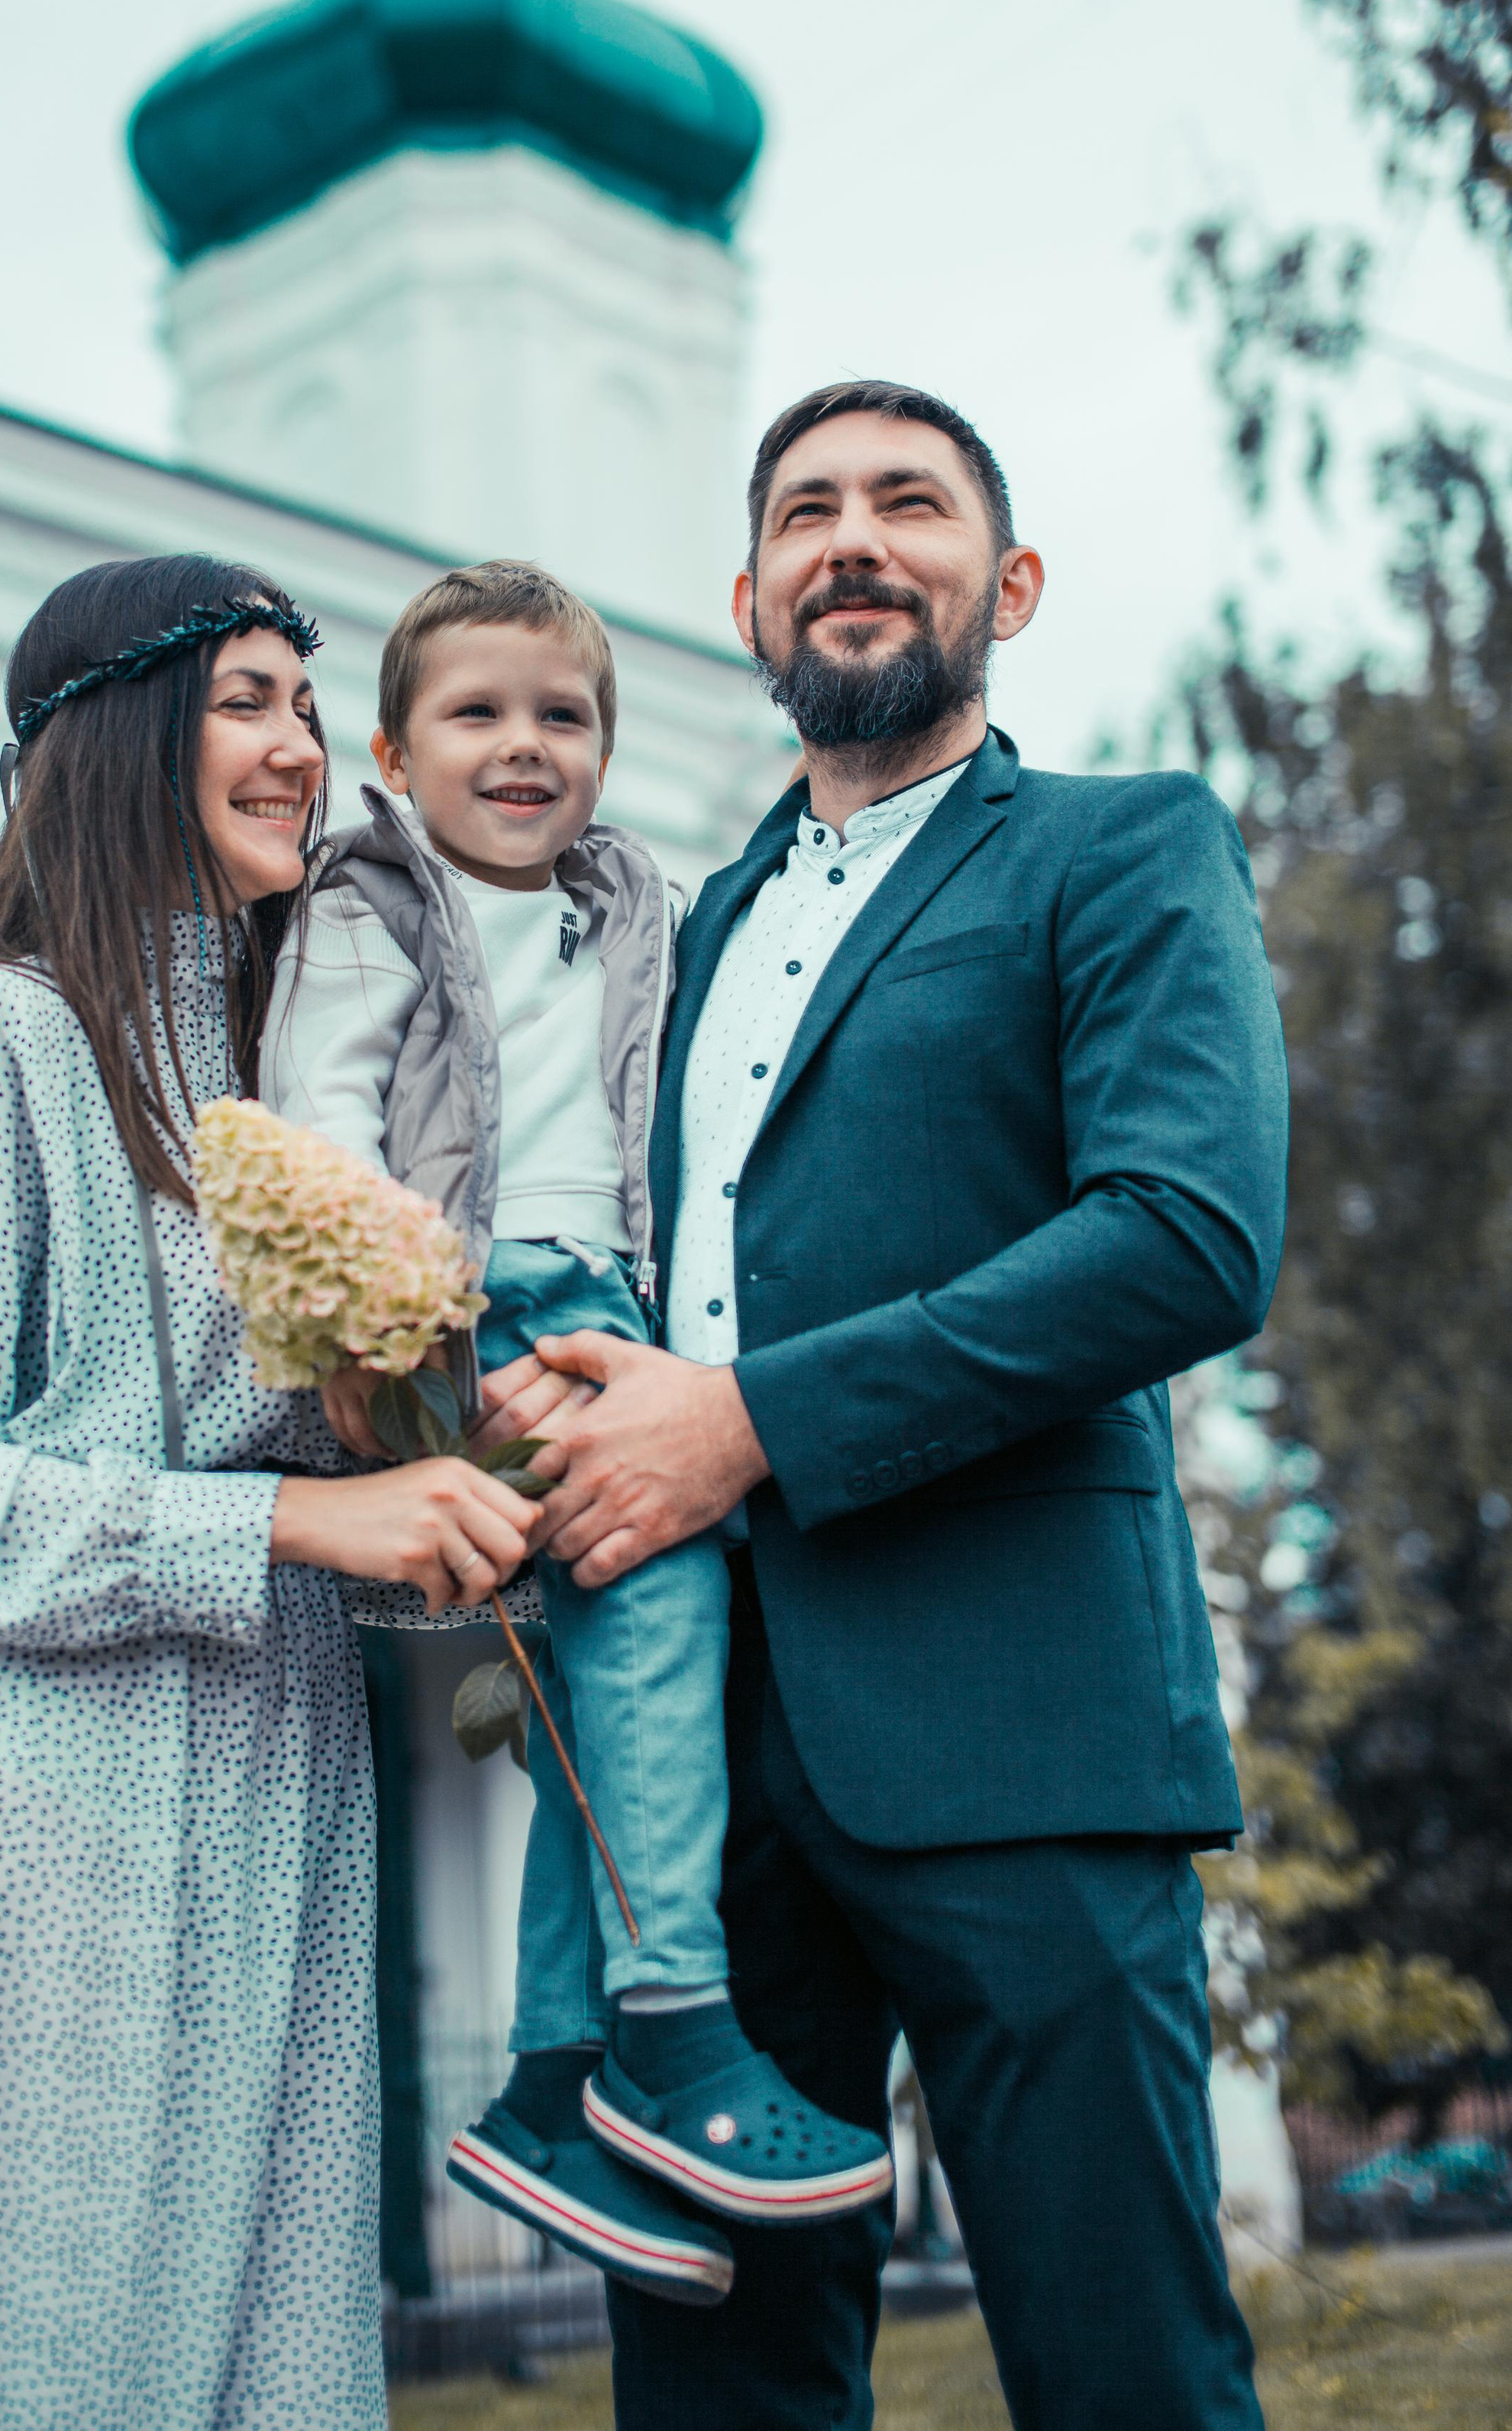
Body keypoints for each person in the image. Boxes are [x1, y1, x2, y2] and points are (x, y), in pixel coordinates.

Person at [477, 383, 1289, 2431]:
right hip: (701, 1797)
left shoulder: (1127, 850)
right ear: (749, 605)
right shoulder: (664, 930)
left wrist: (746, 1422)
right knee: (719, 2392)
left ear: (1003, 583)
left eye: (908, 503)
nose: (855, 537)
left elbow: (1184, 1237)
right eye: (808, 512)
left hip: (1030, 1738)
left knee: (1130, 2379)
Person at [0, 554, 540, 2431]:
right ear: (119, 737)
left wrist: (474, 1470)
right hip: (25, 1839)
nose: (300, 749)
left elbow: (346, 1487)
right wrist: (297, 1523)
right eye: (247, 700)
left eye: (306, 711)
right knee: (4, 2359)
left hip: (274, 1811)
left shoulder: (303, 1087)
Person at [261, 560, 893, 2312]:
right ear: (394, 750)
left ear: (605, 752)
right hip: (463, 1309)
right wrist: (401, 1341)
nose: (523, 746)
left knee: (597, 1716)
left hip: (615, 1312)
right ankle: (672, 2024)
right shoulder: (367, 907)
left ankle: (550, 2090)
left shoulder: (641, 910)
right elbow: (319, 1122)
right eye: (477, 714)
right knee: (660, 1624)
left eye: (563, 716)